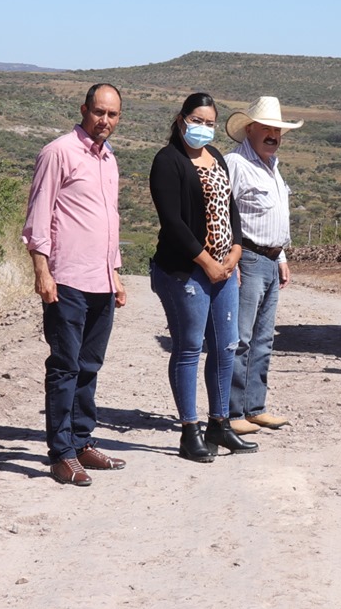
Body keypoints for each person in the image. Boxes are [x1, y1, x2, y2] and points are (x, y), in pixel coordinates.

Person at [24, 84, 128, 487]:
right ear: (84, 109)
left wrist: (115, 273)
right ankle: (61, 453)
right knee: (65, 367)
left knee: (90, 366)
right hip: (65, 278)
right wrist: (42, 271)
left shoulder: (109, 160)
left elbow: (110, 221)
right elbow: (38, 217)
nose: (105, 120)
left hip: (100, 280)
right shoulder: (59, 152)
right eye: (99, 112)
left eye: (113, 115)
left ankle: (82, 441)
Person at [147, 93, 256, 463]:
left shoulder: (217, 158)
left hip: (224, 270)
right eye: (198, 120)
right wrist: (206, 261)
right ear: (181, 120)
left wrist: (236, 251)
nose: (203, 128)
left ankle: (219, 424)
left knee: (226, 347)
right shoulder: (168, 161)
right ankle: (189, 430)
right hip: (185, 271)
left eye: (210, 122)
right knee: (190, 348)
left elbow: (231, 209)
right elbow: (173, 222)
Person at [223, 96, 301, 437]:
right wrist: (231, 258)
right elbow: (222, 215)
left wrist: (281, 257)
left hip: (270, 260)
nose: (273, 134)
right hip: (249, 259)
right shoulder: (236, 165)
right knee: (240, 339)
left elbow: (270, 216)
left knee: (264, 339)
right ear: (249, 129)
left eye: (277, 130)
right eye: (266, 128)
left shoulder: (272, 164)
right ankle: (231, 412)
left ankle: (255, 408)